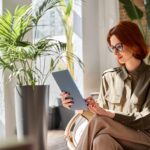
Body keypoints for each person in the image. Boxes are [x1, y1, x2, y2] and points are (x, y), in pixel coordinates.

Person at [60, 21, 150, 150]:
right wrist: (80, 105)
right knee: (101, 140)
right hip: (115, 137)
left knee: (100, 121)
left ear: (134, 44)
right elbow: (99, 115)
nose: (115, 52)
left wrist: (110, 114)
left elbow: (146, 120)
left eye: (119, 46)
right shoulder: (109, 77)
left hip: (143, 138)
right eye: (112, 48)